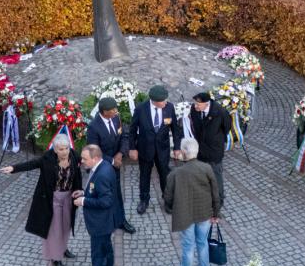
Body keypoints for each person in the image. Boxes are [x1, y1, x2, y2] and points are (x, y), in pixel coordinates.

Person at [0, 134, 82, 266]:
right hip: (52, 199)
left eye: (66, 148)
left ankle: (63, 248)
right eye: (61, 149)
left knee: (66, 226)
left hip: (68, 198)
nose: (64, 152)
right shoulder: (47, 159)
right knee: (55, 229)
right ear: (55, 149)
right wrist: (13, 168)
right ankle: (56, 257)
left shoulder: (74, 155)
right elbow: (32, 164)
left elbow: (85, 164)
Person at [164, 138, 220, 266]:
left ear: (183, 153)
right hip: (204, 214)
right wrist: (216, 213)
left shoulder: (175, 173)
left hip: (185, 215)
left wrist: (170, 208)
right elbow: (216, 193)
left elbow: (167, 196)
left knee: (188, 246)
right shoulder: (206, 168)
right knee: (202, 243)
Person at [127, 85, 182, 214]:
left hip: (162, 149)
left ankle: (167, 200)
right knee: (144, 175)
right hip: (145, 148)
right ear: (154, 101)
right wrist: (132, 148)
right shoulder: (141, 109)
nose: (166, 102)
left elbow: (175, 129)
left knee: (165, 175)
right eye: (163, 101)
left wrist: (177, 147)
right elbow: (132, 130)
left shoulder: (169, 107)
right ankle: (144, 200)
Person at [73, 144, 116, 266]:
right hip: (105, 221)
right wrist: (84, 192)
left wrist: (84, 201)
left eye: (85, 159)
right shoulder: (104, 166)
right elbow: (97, 190)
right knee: (107, 251)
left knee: (98, 256)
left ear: (95, 158)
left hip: (100, 224)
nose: (82, 161)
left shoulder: (102, 174)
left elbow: (106, 201)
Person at [86, 97, 136, 234]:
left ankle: (120, 220)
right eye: (113, 109)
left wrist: (120, 153)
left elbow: (123, 136)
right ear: (104, 112)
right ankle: (104, 221)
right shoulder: (93, 127)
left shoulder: (115, 118)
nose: (116, 111)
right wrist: (112, 161)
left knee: (117, 193)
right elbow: (94, 151)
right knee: (103, 194)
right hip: (102, 168)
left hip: (116, 165)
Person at [191, 92, 230, 205]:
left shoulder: (220, 112)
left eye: (198, 104)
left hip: (214, 150)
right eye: (195, 103)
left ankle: (219, 200)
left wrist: (215, 138)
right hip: (200, 149)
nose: (195, 106)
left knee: (216, 176)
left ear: (206, 104)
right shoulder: (194, 110)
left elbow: (227, 127)